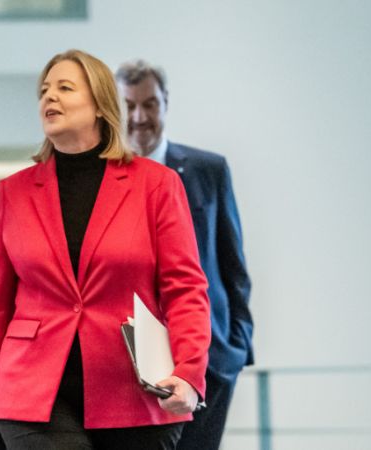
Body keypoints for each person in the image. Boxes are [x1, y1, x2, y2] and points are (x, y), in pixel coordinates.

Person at [0, 49, 212, 450]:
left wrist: (189, 371)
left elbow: (186, 289)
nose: (49, 97)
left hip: (135, 391)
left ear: (100, 105)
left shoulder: (157, 185)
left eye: (65, 87)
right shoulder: (13, 193)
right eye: (44, 90)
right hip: (30, 391)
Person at [116, 59, 253, 450]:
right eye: (128, 105)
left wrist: (236, 346)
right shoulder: (104, 178)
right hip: (131, 362)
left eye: (150, 104)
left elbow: (233, 265)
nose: (139, 117)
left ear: (166, 103)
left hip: (211, 358)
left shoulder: (209, 170)